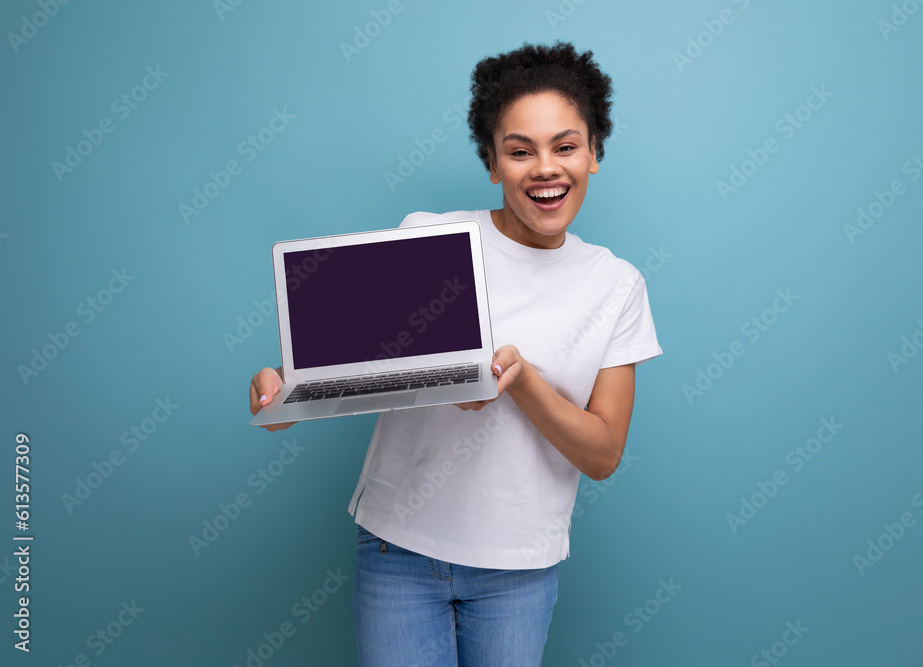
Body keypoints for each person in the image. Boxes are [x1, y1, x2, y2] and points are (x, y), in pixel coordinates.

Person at [249, 41, 661, 667]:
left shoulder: (617, 285)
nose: (545, 167)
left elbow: (603, 453)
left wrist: (522, 382)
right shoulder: (429, 238)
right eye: (519, 151)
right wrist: (281, 393)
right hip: (399, 552)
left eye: (566, 146)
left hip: (518, 569)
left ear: (594, 153)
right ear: (493, 164)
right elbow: (351, 370)